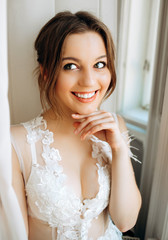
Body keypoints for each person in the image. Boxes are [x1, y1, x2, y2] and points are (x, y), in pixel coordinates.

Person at [11, 11, 142, 240]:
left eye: (99, 64)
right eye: (71, 66)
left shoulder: (115, 125)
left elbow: (125, 222)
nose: (89, 81)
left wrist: (118, 149)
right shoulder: (15, 143)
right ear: (46, 72)